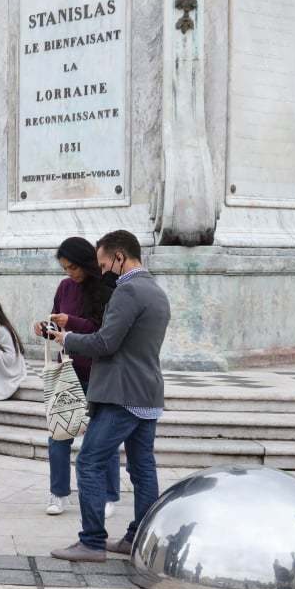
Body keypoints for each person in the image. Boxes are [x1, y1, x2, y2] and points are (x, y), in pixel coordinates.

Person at [50, 230, 169, 563]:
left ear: (120, 256)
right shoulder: (156, 290)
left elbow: (106, 343)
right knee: (142, 468)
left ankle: (91, 540)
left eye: (104, 264)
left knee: (88, 461)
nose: (101, 271)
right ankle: (138, 537)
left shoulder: (127, 291)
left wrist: (67, 339)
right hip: (147, 391)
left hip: (122, 393)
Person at [36, 237, 119, 516]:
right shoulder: (65, 287)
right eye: (65, 268)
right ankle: (59, 492)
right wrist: (45, 327)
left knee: (101, 435)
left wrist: (69, 323)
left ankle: (109, 495)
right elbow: (56, 323)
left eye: (73, 267)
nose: (70, 273)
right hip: (67, 368)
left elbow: (101, 329)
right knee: (59, 432)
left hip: (97, 371)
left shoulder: (105, 289)